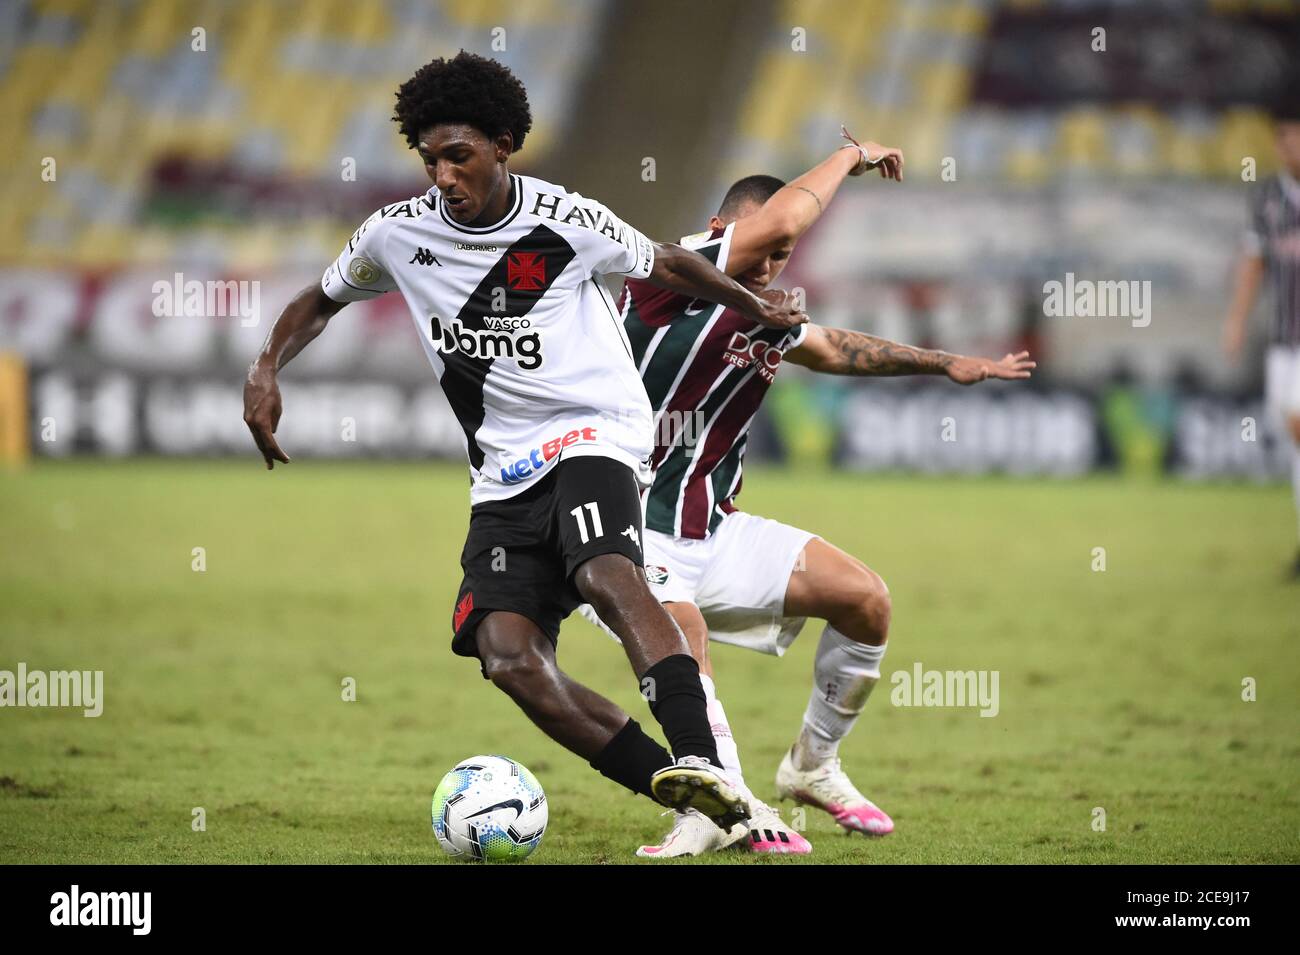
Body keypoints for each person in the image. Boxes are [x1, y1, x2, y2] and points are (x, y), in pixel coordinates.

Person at [241, 51, 808, 829]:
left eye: (459, 156)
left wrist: (755, 304)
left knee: (608, 571)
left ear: (503, 145)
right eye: (430, 158)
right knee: (506, 655)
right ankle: (690, 795)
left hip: (594, 432)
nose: (442, 175)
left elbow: (671, 261)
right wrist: (266, 365)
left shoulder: (564, 220)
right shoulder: (397, 234)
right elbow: (320, 298)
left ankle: (704, 760)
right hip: (503, 473)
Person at [586, 142, 1035, 856]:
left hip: (712, 529)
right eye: (758, 249)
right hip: (628, 533)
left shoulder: (764, 309)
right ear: (719, 231)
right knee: (684, 641)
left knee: (866, 600)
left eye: (778, 258)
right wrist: (850, 154)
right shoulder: (662, 279)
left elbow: (831, 348)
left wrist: (944, 361)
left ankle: (811, 765)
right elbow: (783, 223)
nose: (767, 267)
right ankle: (719, 806)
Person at [1223, 99, 1300, 578]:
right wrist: (1236, 319)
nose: (1290, 145)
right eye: (1285, 137)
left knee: (1297, 425)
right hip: (1284, 339)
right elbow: (1253, 262)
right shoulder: (1269, 197)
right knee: (1291, 436)